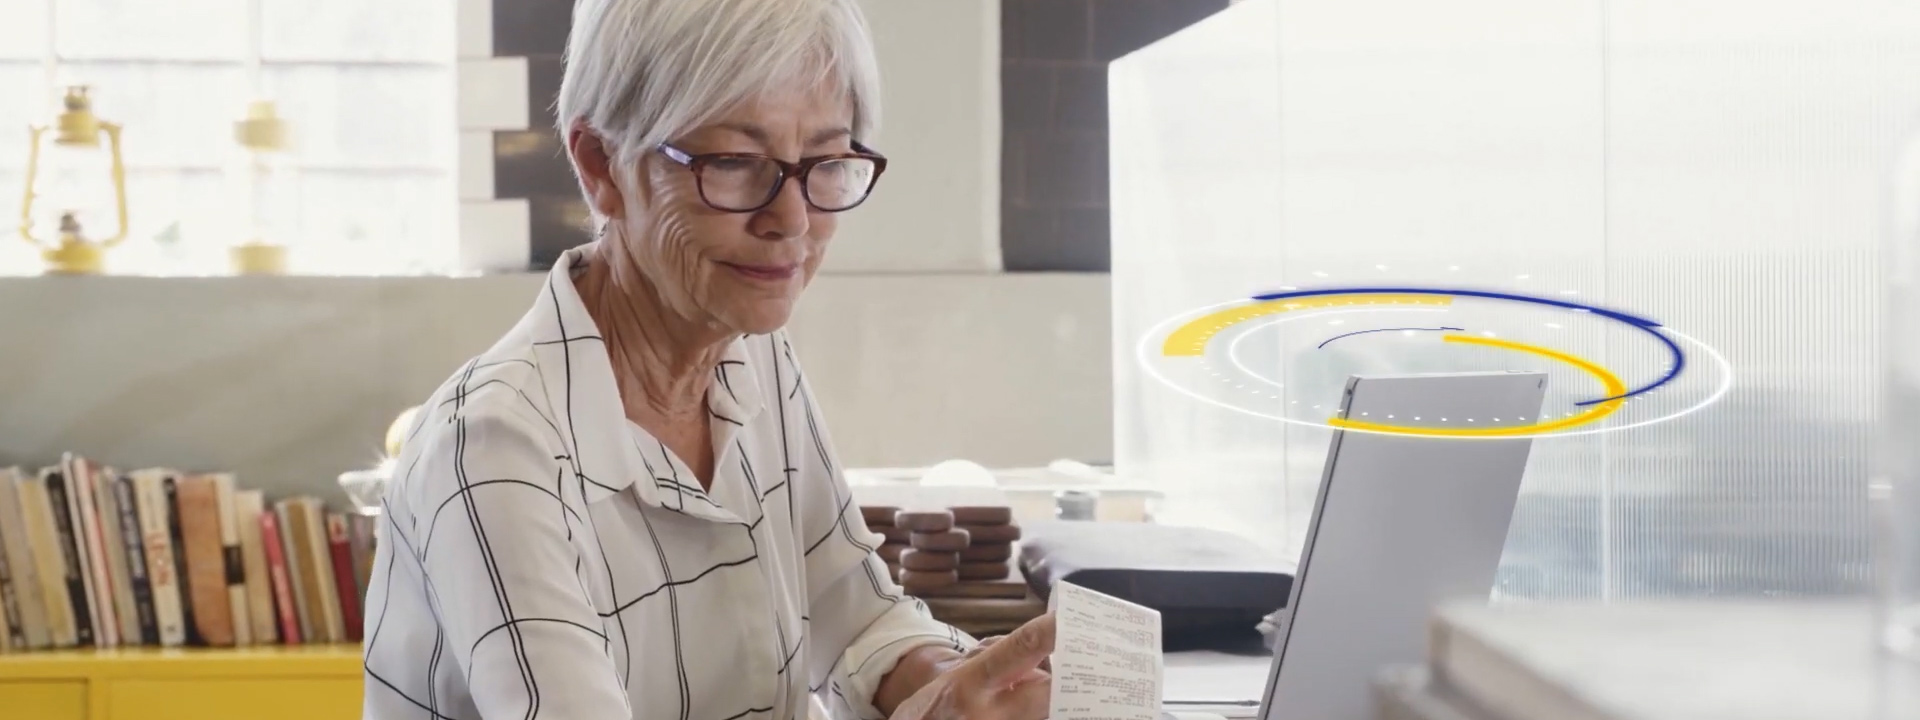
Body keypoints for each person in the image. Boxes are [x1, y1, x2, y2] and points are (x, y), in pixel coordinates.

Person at [358, 0, 1055, 718]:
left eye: (824, 162)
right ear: (601, 165)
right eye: (735, 164)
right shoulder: (496, 448)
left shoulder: (754, 357)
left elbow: (853, 614)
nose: (790, 220)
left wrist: (954, 683)